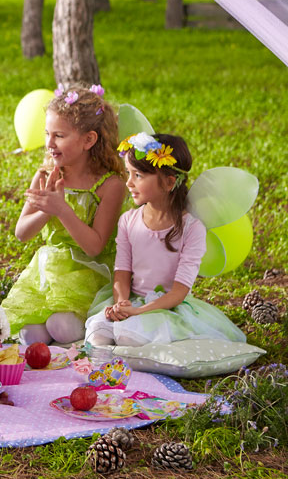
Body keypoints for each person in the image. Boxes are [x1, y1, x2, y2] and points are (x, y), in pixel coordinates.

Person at [84, 133, 246, 346]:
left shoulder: (192, 229)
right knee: (97, 334)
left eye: (138, 175)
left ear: (169, 182)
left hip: (167, 307)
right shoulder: (128, 221)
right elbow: (122, 272)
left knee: (127, 337)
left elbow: (179, 291)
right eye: (128, 173)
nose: (129, 182)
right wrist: (122, 304)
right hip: (132, 300)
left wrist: (139, 311)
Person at [2, 85, 127, 345]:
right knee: (29, 335)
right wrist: (47, 212)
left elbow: (94, 247)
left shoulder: (109, 185)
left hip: (87, 272)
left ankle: (78, 338)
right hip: (48, 271)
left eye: (59, 135)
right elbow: (22, 233)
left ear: (88, 140)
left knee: (62, 328)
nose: (49, 143)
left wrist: (62, 210)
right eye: (47, 134)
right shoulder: (46, 176)